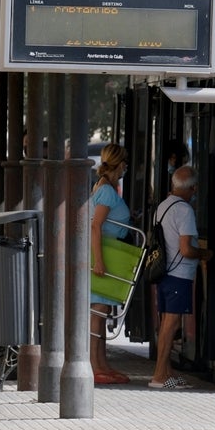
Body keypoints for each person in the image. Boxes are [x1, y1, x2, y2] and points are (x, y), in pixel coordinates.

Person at [149, 166, 212, 390]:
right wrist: (205, 254)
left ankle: (165, 371)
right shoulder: (184, 210)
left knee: (166, 322)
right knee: (171, 324)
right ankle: (159, 376)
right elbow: (186, 249)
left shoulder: (163, 206)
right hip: (179, 273)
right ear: (192, 188)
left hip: (165, 273)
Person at [89, 143, 131, 385]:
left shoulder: (104, 187)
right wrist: (99, 261)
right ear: (120, 163)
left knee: (101, 312)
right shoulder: (106, 190)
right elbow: (96, 225)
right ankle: (95, 365)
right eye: (125, 161)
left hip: (106, 252)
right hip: (103, 253)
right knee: (98, 312)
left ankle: (102, 363)